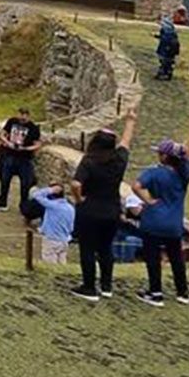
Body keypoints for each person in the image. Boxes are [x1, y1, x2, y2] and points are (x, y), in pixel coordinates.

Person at [130, 101, 189, 306]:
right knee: (176, 258)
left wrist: (148, 200)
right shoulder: (184, 173)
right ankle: (183, 292)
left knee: (153, 258)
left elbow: (135, 186)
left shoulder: (154, 172)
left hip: (153, 221)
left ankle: (155, 293)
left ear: (164, 156)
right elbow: (188, 151)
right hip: (173, 223)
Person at [69, 109, 136, 301]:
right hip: (111, 210)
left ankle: (89, 287)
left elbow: (75, 184)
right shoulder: (119, 161)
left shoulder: (89, 161)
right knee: (106, 248)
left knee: (87, 248)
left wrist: (79, 198)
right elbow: (126, 142)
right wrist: (130, 121)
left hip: (90, 209)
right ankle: (106, 286)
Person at [0, 106, 42, 211]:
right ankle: (2, 203)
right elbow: (2, 134)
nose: (22, 118)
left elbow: (37, 144)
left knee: (25, 184)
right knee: (4, 180)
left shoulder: (33, 128)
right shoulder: (12, 122)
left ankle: (23, 206)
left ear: (28, 116)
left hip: (25, 159)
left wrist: (25, 148)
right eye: (21, 115)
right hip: (9, 155)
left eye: (25, 115)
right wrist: (8, 143)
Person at [29, 183, 75, 265]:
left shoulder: (52, 205)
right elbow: (71, 227)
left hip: (51, 239)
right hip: (64, 240)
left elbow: (36, 195)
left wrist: (50, 190)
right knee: (62, 264)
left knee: (50, 265)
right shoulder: (70, 208)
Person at [154, 12, 181, 81]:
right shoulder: (171, 28)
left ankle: (163, 74)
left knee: (164, 61)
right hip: (171, 48)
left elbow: (165, 39)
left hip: (166, 48)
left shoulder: (165, 28)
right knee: (169, 61)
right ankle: (167, 73)